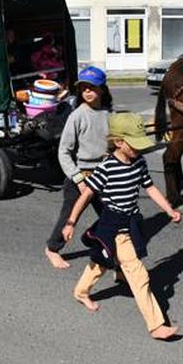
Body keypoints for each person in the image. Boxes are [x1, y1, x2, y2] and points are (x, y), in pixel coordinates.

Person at [62, 112, 182, 341]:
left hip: (131, 220)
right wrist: (70, 223)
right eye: (134, 143)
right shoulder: (106, 168)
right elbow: (86, 195)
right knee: (138, 273)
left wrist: (169, 210)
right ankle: (156, 325)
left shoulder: (139, 162)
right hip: (113, 224)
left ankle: (81, 291)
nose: (139, 148)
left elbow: (150, 187)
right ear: (118, 142)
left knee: (101, 263)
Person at [45, 66, 112, 269]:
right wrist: (78, 178)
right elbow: (64, 152)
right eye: (83, 88)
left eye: (92, 87)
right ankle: (52, 249)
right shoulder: (77, 115)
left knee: (112, 215)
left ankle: (93, 237)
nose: (87, 91)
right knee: (68, 216)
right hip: (80, 177)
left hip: (103, 176)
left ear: (102, 89)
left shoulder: (109, 114)